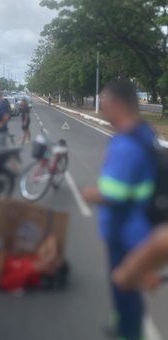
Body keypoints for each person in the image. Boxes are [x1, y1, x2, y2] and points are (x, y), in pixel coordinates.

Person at [82, 79, 157, 340]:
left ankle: (128, 332)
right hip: (138, 227)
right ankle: (122, 323)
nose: (102, 109)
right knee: (127, 287)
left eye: (103, 102)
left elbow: (112, 195)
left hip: (124, 230)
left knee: (124, 285)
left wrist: (88, 193)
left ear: (115, 104)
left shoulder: (126, 144)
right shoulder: (145, 132)